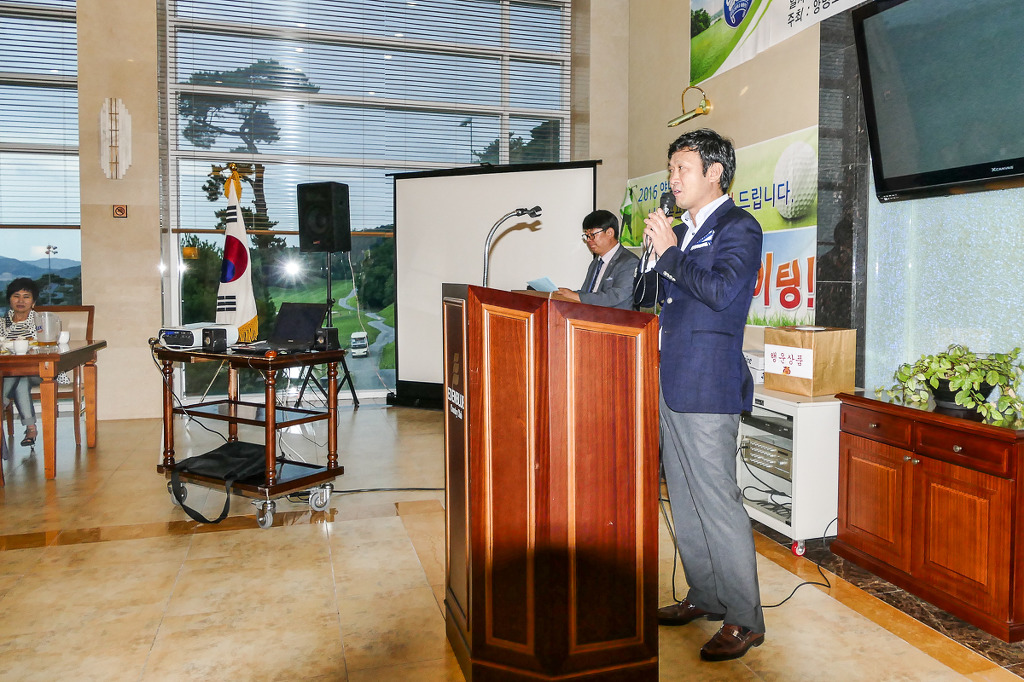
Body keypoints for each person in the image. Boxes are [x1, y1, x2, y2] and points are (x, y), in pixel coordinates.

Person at [635, 129, 765, 662]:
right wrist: (654, 256)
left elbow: (720, 292)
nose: (672, 179)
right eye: (670, 169)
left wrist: (670, 253)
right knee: (685, 500)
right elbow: (648, 299)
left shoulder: (738, 226)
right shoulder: (684, 232)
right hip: (671, 381)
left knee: (716, 501)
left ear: (715, 172)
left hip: (708, 385)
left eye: (682, 168)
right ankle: (706, 594)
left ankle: (744, 618)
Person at [557, 209, 640, 309]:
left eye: (592, 235)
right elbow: (588, 293)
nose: (588, 240)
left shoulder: (629, 262)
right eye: (587, 235)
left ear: (610, 233)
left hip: (617, 318)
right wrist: (564, 294)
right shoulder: (596, 262)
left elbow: (616, 296)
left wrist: (577, 297)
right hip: (592, 316)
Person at [1, 278, 42, 447]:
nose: (20, 300)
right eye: (16, 296)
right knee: (20, 378)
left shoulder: (40, 322)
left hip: (39, 371)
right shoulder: (2, 323)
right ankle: (31, 428)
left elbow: (49, 346)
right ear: (9, 299)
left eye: (26, 296)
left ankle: (2, 402)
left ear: (33, 301)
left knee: (19, 374)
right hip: (9, 373)